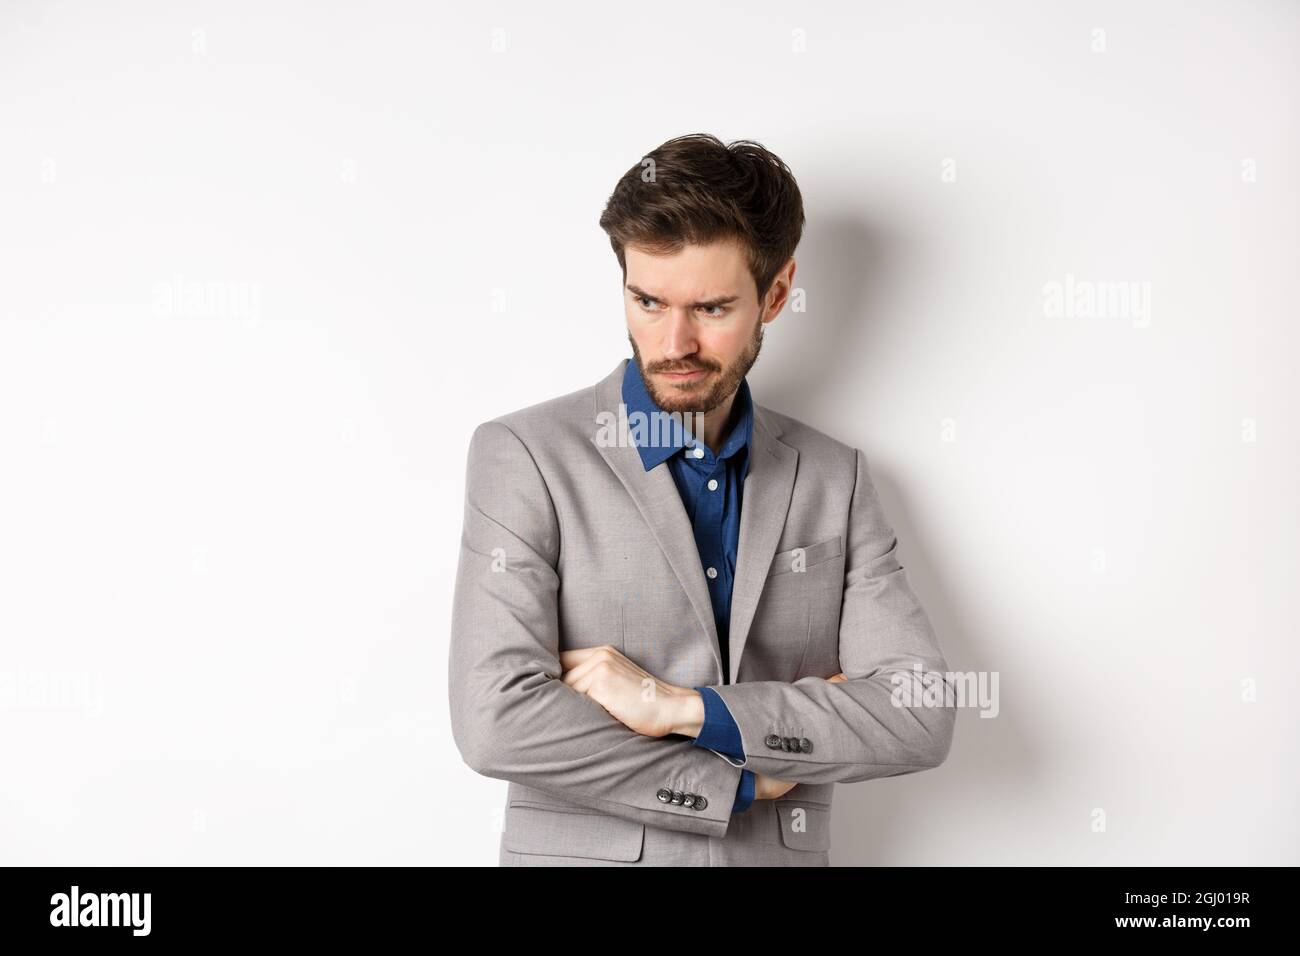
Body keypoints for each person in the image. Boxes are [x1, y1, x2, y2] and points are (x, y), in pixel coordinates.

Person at [449, 133, 955, 866]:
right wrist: (745, 786)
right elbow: (495, 720)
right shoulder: (525, 456)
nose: (673, 341)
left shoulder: (832, 477)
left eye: (712, 308)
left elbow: (920, 712)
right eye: (647, 301)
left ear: (776, 294)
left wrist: (682, 709)